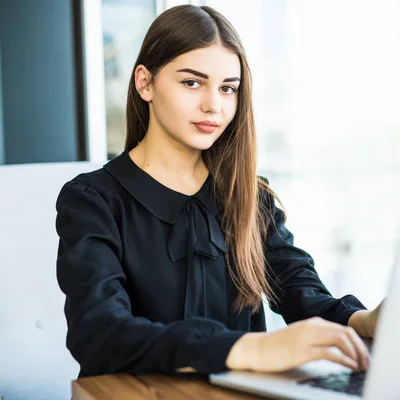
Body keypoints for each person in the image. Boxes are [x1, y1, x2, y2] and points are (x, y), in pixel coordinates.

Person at [56, 5, 381, 378]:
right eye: (192, 82)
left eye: (228, 88)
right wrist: (248, 349)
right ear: (145, 82)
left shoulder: (250, 195)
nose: (215, 105)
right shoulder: (92, 199)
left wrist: (369, 321)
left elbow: (300, 291)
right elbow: (99, 333)